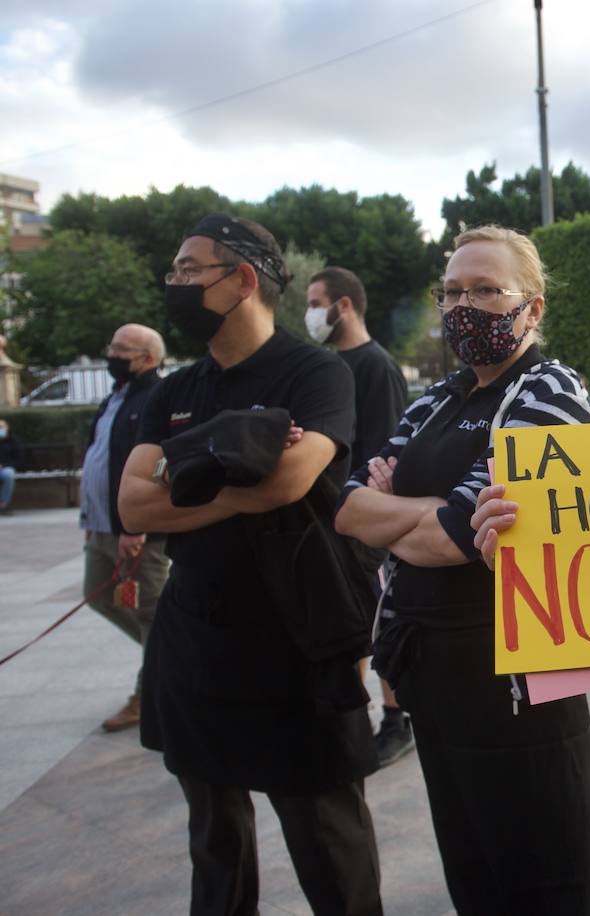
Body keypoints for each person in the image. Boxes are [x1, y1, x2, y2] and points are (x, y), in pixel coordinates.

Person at [336, 225, 590, 915]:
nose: (466, 305)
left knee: (548, 872)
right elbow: (350, 510)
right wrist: (434, 516)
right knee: (472, 863)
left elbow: (451, 538)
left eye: (487, 289)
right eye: (453, 291)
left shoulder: (551, 389)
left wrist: (404, 508)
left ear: (533, 307)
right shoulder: (434, 399)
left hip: (516, 683)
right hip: (431, 674)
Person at [119, 213, 382, 916]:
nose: (172, 284)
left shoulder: (315, 371)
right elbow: (133, 506)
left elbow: (289, 482)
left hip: (296, 641)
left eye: (186, 270)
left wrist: (187, 469)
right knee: (214, 841)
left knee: (327, 843)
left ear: (240, 280)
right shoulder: (175, 390)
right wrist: (236, 461)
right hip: (196, 636)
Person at [304, 265, 414, 767]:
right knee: (351, 625)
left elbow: (388, 450)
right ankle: (358, 718)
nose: (311, 312)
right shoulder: (326, 365)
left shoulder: (375, 366)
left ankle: (397, 720)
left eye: (315, 300)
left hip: (363, 522)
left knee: (377, 621)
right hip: (329, 519)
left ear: (343, 305)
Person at [81, 323, 171, 732]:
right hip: (102, 527)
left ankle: (150, 694)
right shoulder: (116, 397)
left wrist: (134, 526)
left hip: (135, 532)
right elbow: (102, 456)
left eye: (123, 350)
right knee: (98, 595)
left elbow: (150, 468)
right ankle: (173, 657)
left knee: (150, 611)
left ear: (148, 359)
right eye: (112, 346)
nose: (112, 356)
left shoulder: (154, 397)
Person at [0, 418, 19, 514]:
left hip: (6, 468)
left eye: (1, 427)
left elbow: (19, 459)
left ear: (7, 427)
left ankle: (3, 503)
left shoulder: (13, 441)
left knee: (9, 475)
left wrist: (3, 465)